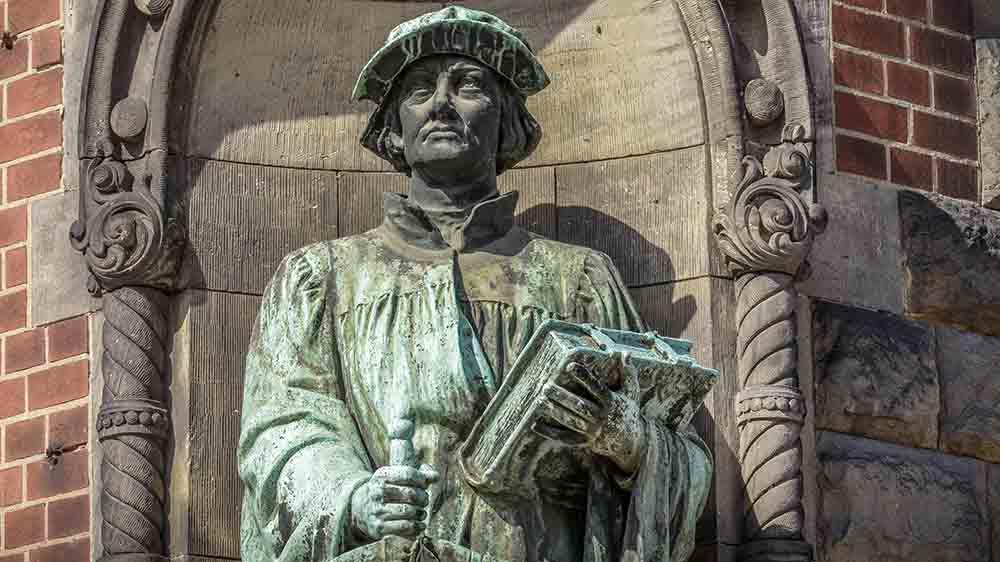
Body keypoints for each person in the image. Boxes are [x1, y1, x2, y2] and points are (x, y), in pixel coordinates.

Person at [238, 7, 712, 562]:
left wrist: (625, 438)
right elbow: (282, 432)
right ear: (394, 126)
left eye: (467, 86)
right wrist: (353, 498)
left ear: (505, 117)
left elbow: (685, 458)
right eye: (417, 90)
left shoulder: (579, 278)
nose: (440, 103)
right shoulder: (324, 278)